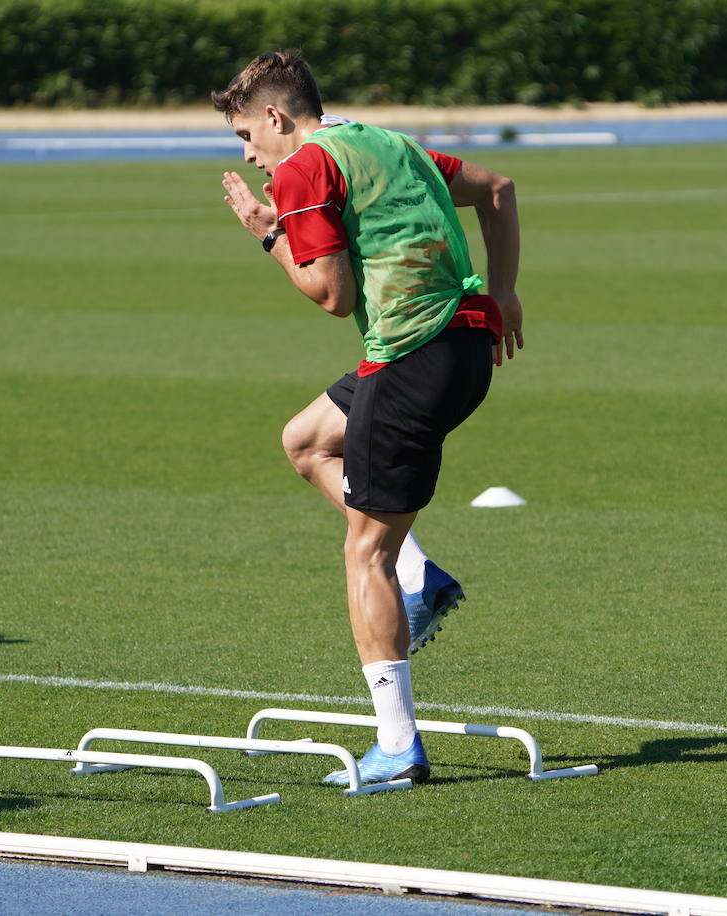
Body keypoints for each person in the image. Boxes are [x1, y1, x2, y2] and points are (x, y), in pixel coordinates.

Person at [213, 51, 523, 786]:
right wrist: (504, 292)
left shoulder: (303, 169)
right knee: (307, 440)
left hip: (411, 361)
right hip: (462, 347)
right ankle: (423, 578)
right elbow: (497, 188)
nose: (249, 153)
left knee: (365, 554)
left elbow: (333, 295)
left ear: (275, 117)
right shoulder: (386, 141)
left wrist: (268, 231)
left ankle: (397, 745)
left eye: (244, 136)